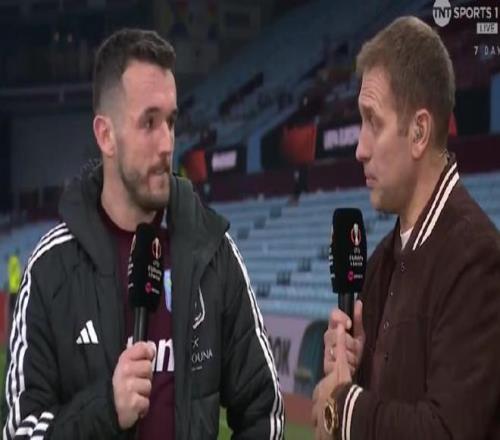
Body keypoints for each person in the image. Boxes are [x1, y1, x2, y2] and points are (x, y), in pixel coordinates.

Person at [3, 29, 284, 440]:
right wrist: (106, 408)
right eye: (149, 122)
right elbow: (19, 431)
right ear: (105, 135)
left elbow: (264, 409)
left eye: (171, 122)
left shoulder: (213, 252)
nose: (167, 143)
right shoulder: (51, 270)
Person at [312, 16, 500, 440]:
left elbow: (448, 431)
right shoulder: (381, 261)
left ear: (418, 132)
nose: (359, 149)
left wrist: (345, 407)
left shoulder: (476, 259)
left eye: (373, 122)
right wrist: (356, 371)